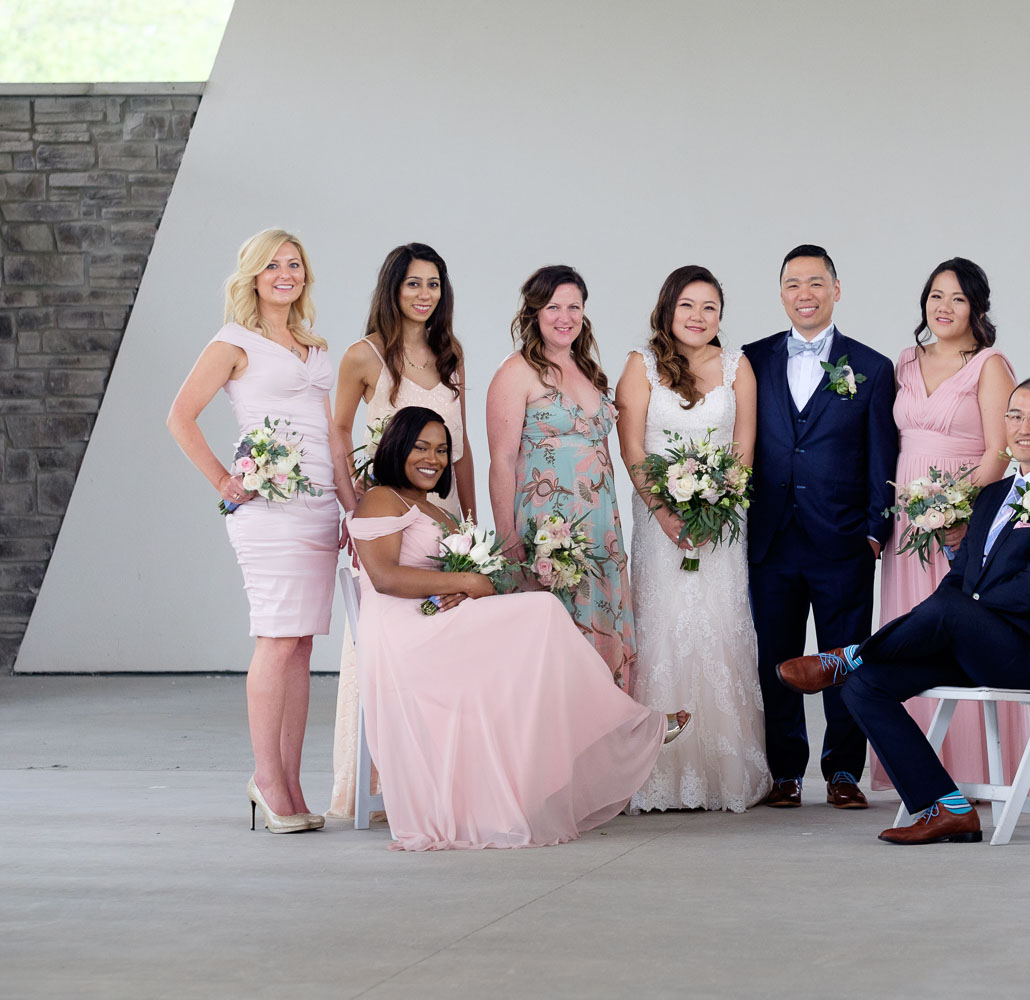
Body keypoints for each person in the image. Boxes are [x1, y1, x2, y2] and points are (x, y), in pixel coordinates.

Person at [348, 406, 684, 850]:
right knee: (542, 612)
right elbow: (384, 577)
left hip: (443, 624)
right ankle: (618, 730)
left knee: (536, 639)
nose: (434, 458)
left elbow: (470, 577)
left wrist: (474, 586)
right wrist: (466, 582)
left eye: (443, 450)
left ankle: (572, 756)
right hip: (406, 634)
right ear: (397, 447)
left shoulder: (436, 508)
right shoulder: (381, 497)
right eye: (422, 447)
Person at [778, 378, 1030, 845]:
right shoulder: (990, 496)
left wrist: (968, 607)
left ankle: (847, 656)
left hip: (1027, 654)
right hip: (968, 642)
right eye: (1014, 416)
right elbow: (957, 578)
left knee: (949, 608)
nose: (1023, 427)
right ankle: (945, 807)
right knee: (866, 687)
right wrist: (963, 607)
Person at [166, 228, 354, 833]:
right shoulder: (233, 342)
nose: (285, 274)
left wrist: (349, 505)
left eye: (294, 265)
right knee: (276, 639)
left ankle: (293, 783)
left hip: (320, 507)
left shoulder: (312, 343)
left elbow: (329, 432)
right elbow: (179, 416)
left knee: (302, 645)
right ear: (251, 275)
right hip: (269, 512)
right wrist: (225, 480)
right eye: (272, 265)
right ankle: (266, 778)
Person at [870, 257, 1030, 797]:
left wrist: (955, 509)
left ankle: (977, 770)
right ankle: (918, 771)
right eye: (936, 296)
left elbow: (1003, 448)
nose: (944, 308)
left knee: (956, 630)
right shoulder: (903, 362)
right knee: (906, 628)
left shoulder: (989, 365)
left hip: (960, 520)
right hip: (907, 521)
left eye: (958, 299)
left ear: (977, 308)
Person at [742, 245, 898, 809]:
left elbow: (883, 456)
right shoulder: (750, 360)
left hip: (842, 538)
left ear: (837, 289)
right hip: (771, 537)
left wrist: (875, 531)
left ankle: (842, 772)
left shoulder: (873, 367)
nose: (803, 294)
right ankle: (785, 772)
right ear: (780, 293)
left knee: (845, 656)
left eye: (815, 283)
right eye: (792, 284)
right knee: (775, 656)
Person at [327, 242, 475, 820]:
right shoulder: (364, 356)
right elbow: (338, 431)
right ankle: (382, 781)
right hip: (389, 518)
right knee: (391, 638)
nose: (424, 294)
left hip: (443, 516)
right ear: (392, 288)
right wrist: (355, 509)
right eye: (413, 283)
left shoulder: (450, 352)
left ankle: (446, 772)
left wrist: (471, 527)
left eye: (433, 284)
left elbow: (458, 449)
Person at [616, 265, 772, 812]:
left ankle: (720, 771)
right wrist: (663, 512)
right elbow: (632, 447)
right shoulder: (641, 366)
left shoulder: (738, 366)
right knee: (663, 627)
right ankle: (655, 771)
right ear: (667, 309)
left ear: (720, 315)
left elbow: (744, 446)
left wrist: (718, 505)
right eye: (687, 305)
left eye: (709, 307)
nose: (698, 317)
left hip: (722, 526)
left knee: (721, 624)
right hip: (660, 525)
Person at [486, 265, 635, 687]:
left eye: (574, 306)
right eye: (553, 306)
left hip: (600, 526)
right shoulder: (516, 372)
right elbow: (500, 459)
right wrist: (508, 536)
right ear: (534, 312)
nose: (564, 316)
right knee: (556, 638)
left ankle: (600, 742)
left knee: (598, 635)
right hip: (548, 526)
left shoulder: (587, 369)